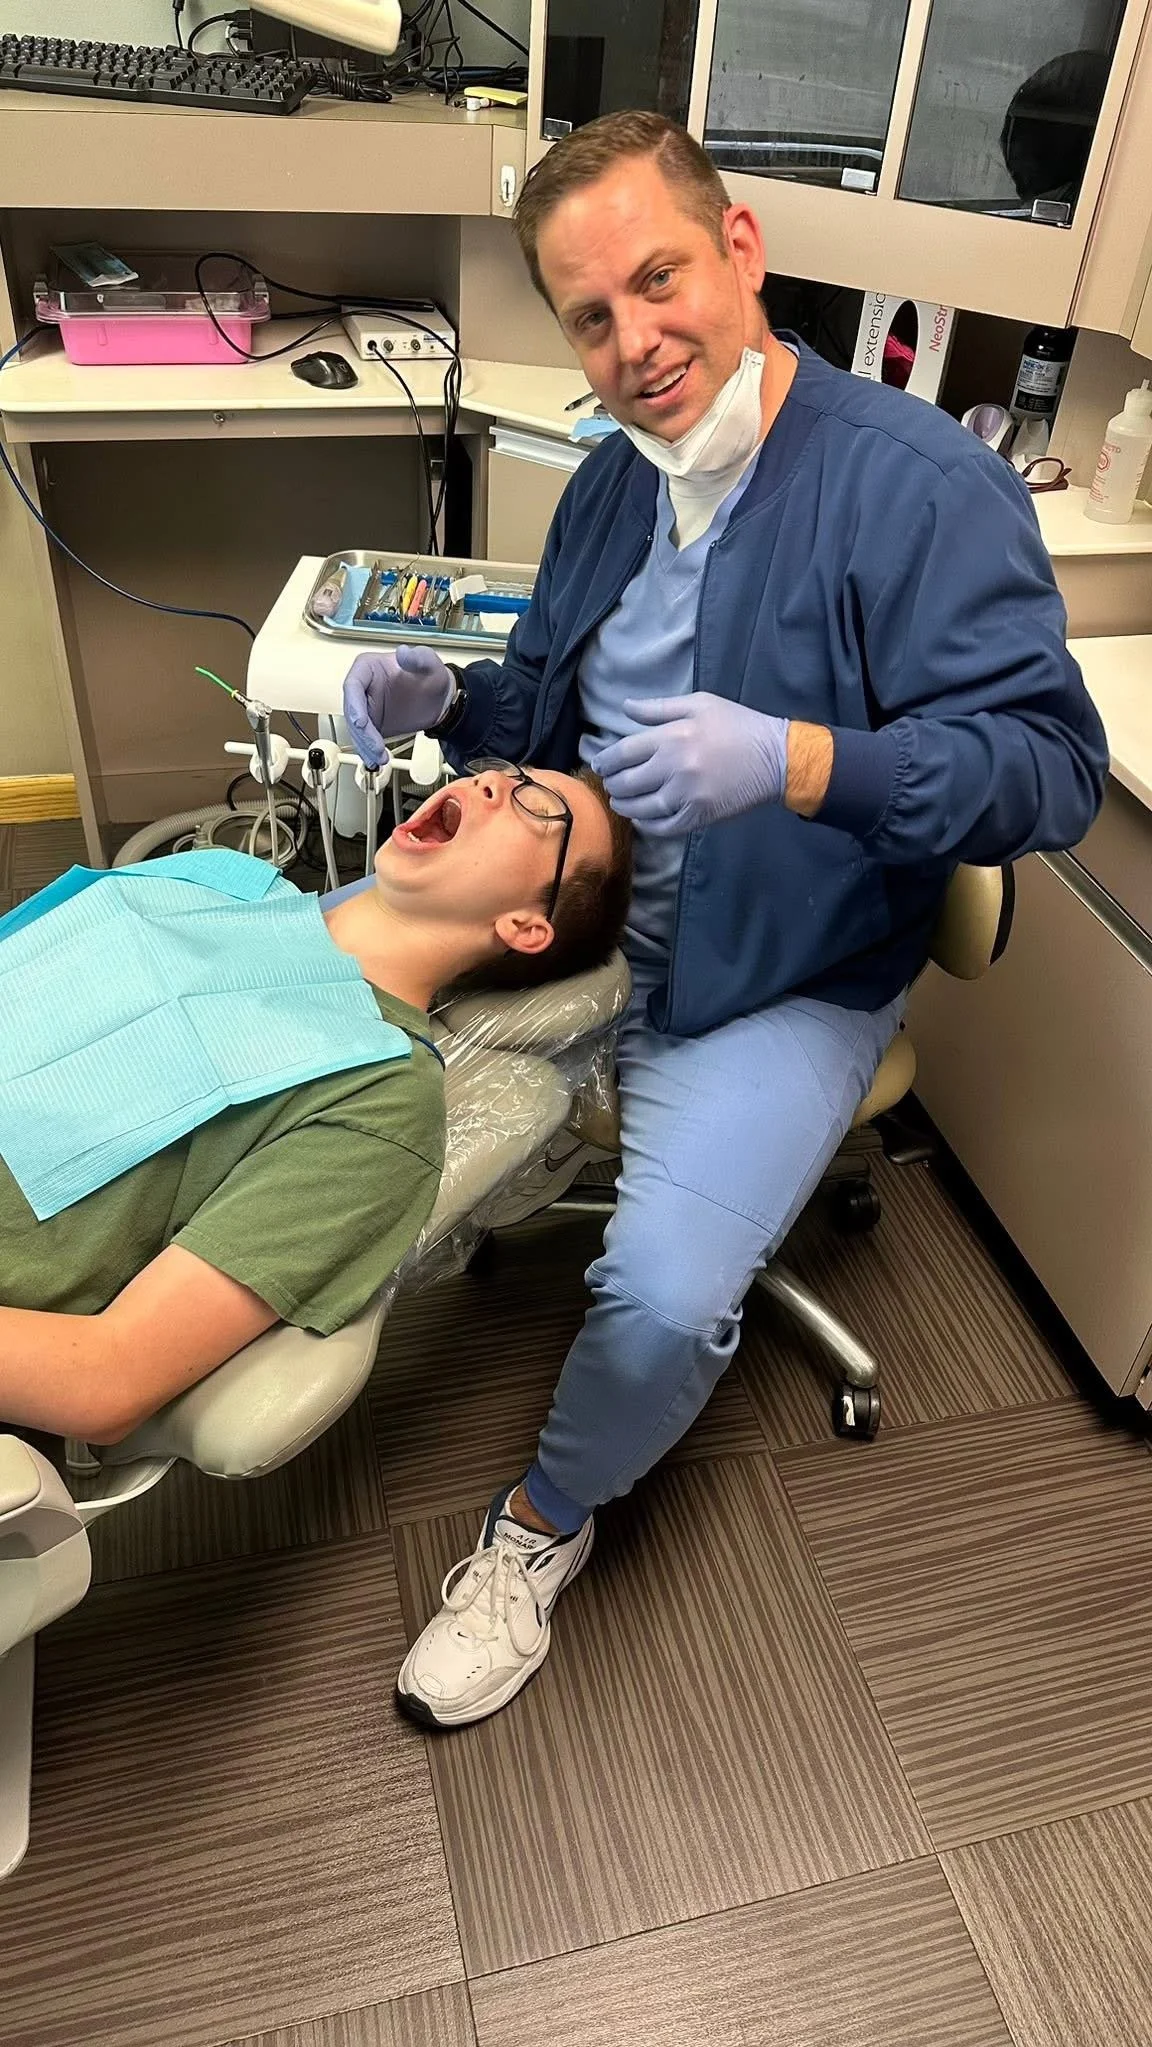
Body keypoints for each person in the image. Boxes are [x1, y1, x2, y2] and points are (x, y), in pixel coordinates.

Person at [342, 111, 1110, 1731]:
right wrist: (451, 706)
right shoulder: (608, 491)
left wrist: (800, 761)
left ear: (740, 249)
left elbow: (1046, 773)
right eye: (590, 316)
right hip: (585, 909)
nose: (634, 343)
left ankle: (539, 1527)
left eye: (658, 280)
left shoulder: (921, 488)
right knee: (291, 1010)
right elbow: (550, 723)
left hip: (782, 975)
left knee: (661, 1297)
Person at [0, 764, 631, 1446]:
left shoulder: (381, 1097)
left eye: (539, 806)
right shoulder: (216, 880)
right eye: (503, 772)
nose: (490, 783)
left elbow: (106, 1379)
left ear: (526, 926)